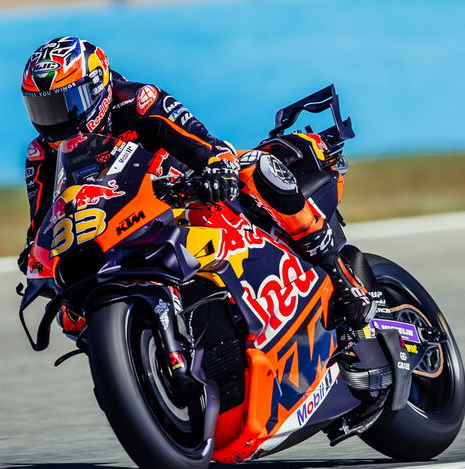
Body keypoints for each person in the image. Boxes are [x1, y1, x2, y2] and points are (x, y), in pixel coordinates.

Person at [19, 35, 373, 327]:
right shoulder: (42, 154)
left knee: (254, 167)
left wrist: (217, 167)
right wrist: (34, 255)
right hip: (120, 226)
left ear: (96, 86)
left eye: (66, 104)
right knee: (70, 317)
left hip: (187, 191)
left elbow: (201, 142)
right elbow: (45, 219)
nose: (56, 120)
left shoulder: (138, 101)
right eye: (44, 109)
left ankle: (336, 271)